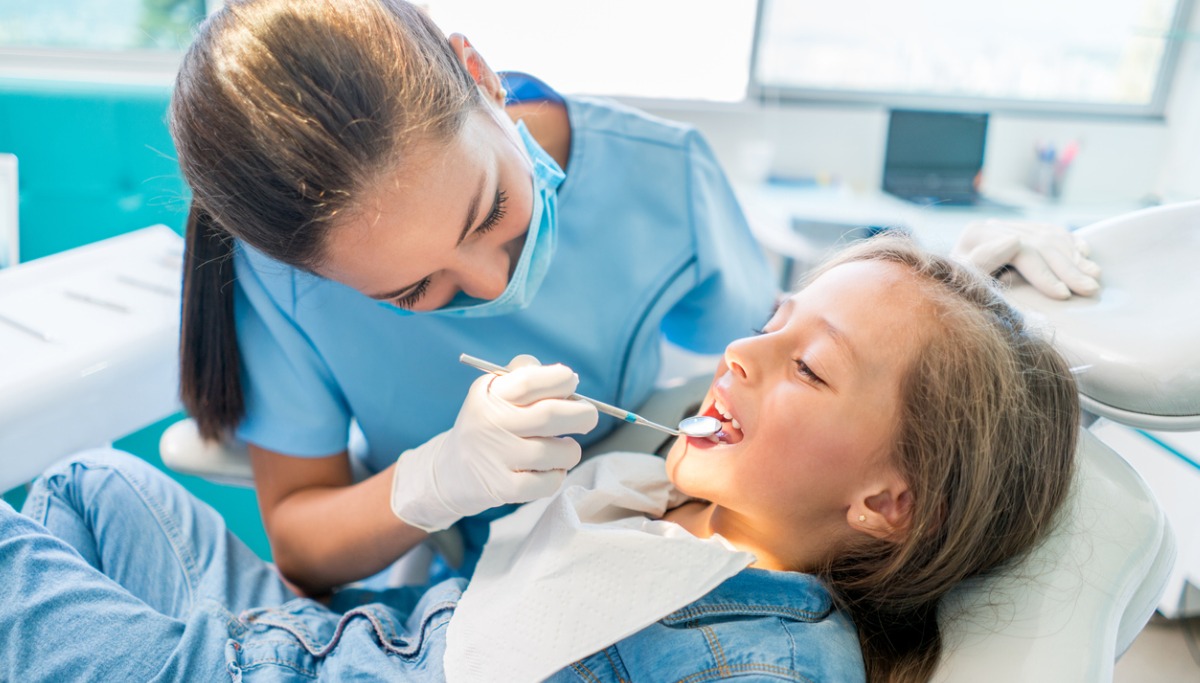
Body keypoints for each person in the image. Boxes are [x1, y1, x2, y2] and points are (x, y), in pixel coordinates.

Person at [1, 236, 1079, 682]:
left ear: (890, 502)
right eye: (772, 320)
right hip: (328, 636)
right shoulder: (666, 498)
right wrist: (955, 285)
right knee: (89, 484)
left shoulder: (758, 660)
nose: (741, 354)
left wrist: (995, 353)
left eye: (807, 365)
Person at [169, 0, 778, 593]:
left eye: (492, 212)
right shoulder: (279, 281)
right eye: (412, 289)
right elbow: (301, 547)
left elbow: (757, 374)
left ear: (480, 75)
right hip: (466, 580)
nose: (493, 285)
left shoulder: (664, 171)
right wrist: (437, 480)